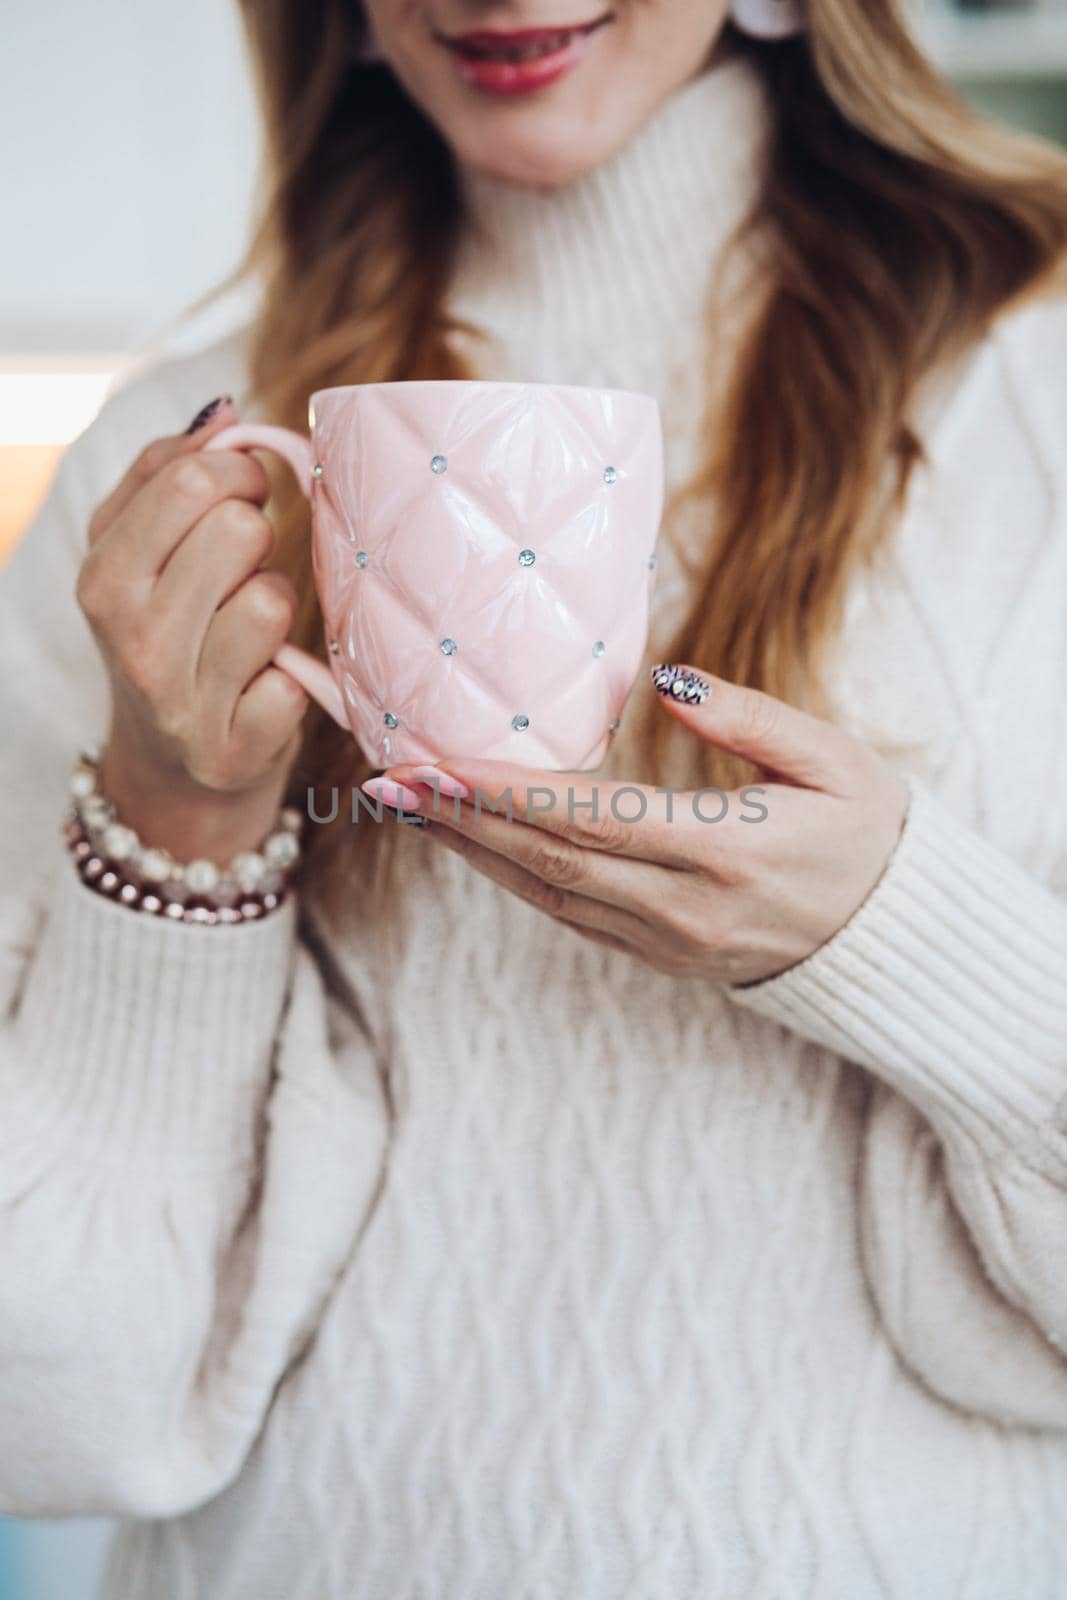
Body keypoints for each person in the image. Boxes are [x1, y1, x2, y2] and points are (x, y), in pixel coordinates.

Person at [2, 0, 1067, 1594]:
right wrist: (176, 829)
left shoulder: (1037, 386)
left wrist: (897, 934)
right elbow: (51, 1425)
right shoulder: (172, 489)